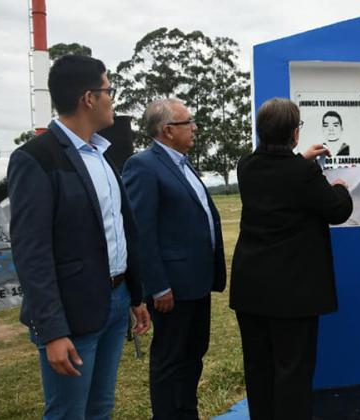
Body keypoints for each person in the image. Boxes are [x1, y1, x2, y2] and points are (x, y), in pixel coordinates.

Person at [7, 54, 151, 419]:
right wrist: (52, 331)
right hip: (72, 312)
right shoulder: (36, 158)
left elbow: (122, 229)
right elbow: (31, 252)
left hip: (116, 303)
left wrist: (135, 294)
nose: (112, 99)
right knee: (69, 413)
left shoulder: (103, 155)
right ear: (89, 98)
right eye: (109, 90)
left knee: (100, 407)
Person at [230, 98, 353, 420]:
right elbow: (338, 210)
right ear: (294, 134)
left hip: (252, 289)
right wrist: (340, 187)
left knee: (259, 368)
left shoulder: (246, 166)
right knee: (292, 372)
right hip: (293, 293)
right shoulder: (303, 173)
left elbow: (278, 176)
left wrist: (302, 161)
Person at [122, 98, 226, 419]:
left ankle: (186, 413)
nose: (195, 127)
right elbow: (141, 233)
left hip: (197, 283)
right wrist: (157, 286)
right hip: (171, 289)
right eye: (188, 122)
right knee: (170, 359)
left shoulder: (182, 162)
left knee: (193, 354)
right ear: (167, 130)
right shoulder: (143, 165)